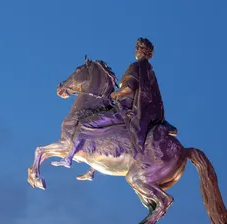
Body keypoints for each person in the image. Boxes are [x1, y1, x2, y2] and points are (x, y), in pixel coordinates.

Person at [53, 37, 165, 168]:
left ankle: (69, 157)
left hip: (127, 111)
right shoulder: (149, 70)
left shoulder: (136, 66)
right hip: (142, 112)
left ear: (139, 50)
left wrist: (115, 94)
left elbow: (129, 88)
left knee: (84, 123)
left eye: (137, 48)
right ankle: (91, 168)